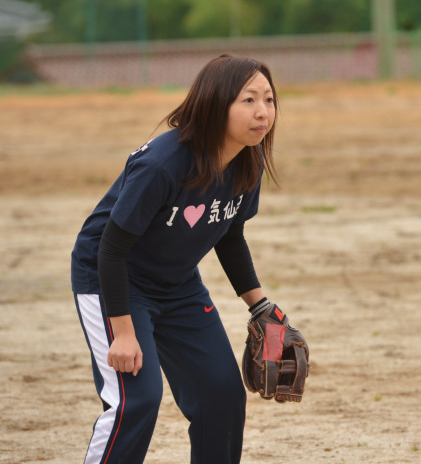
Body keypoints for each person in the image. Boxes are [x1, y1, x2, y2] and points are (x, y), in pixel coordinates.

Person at [70, 54, 281, 464]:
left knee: (221, 393)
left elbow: (229, 234)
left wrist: (260, 305)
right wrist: (124, 334)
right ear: (215, 104)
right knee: (137, 399)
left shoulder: (247, 160)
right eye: (248, 100)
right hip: (113, 280)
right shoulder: (163, 164)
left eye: (269, 100)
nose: (263, 112)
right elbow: (110, 249)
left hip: (178, 283)